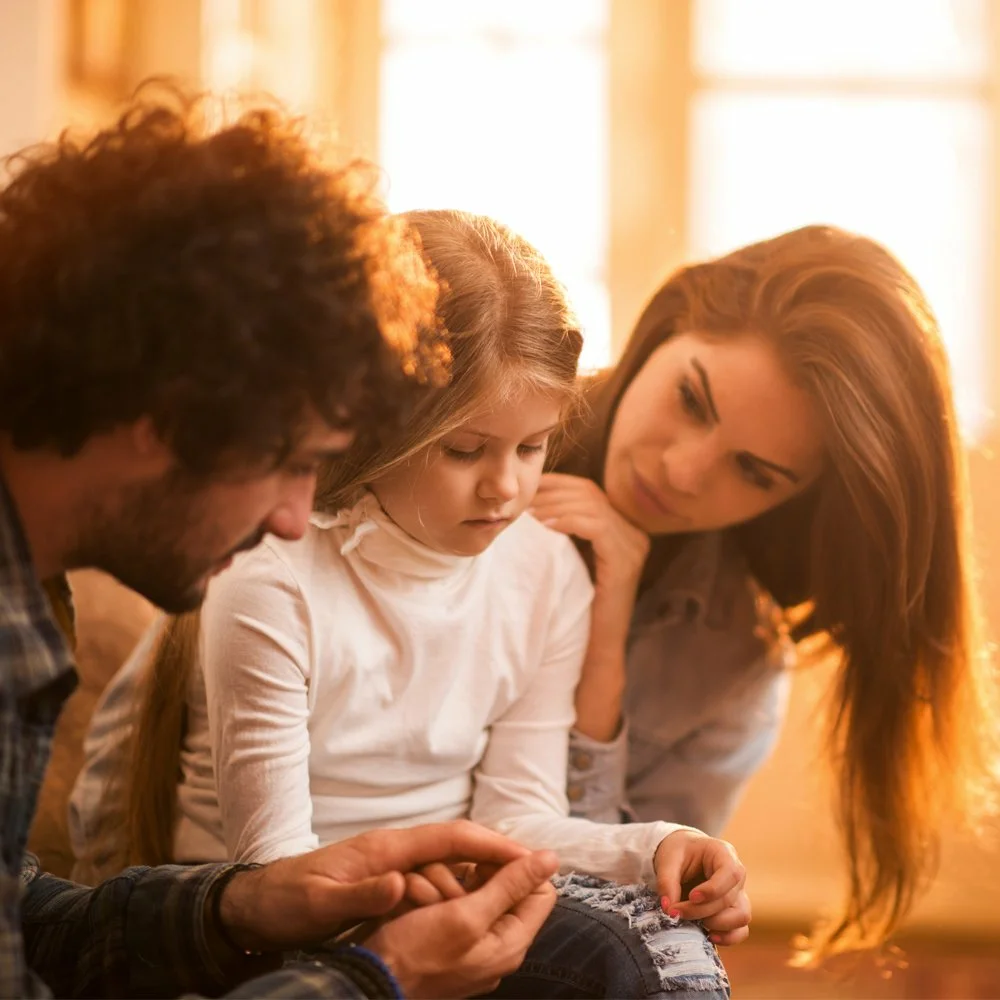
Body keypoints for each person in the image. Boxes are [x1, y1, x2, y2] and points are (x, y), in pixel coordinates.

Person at [71, 209, 746, 998]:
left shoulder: (546, 570)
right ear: (373, 426)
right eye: (464, 450)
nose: (506, 488)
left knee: (662, 945)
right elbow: (276, 881)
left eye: (532, 447)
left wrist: (659, 844)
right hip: (277, 929)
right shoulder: (271, 573)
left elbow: (515, 824)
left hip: (445, 903)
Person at [1, 84, 562, 1000]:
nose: (297, 518)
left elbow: (24, 926)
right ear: (168, 419)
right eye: (291, 462)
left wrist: (240, 907)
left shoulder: (31, 591)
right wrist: (378, 979)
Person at [529, 224, 999, 957]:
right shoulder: (470, 443)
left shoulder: (732, 665)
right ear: (669, 323)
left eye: (754, 472)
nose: (682, 471)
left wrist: (607, 632)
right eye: (691, 398)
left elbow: (611, 906)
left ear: (797, 500)